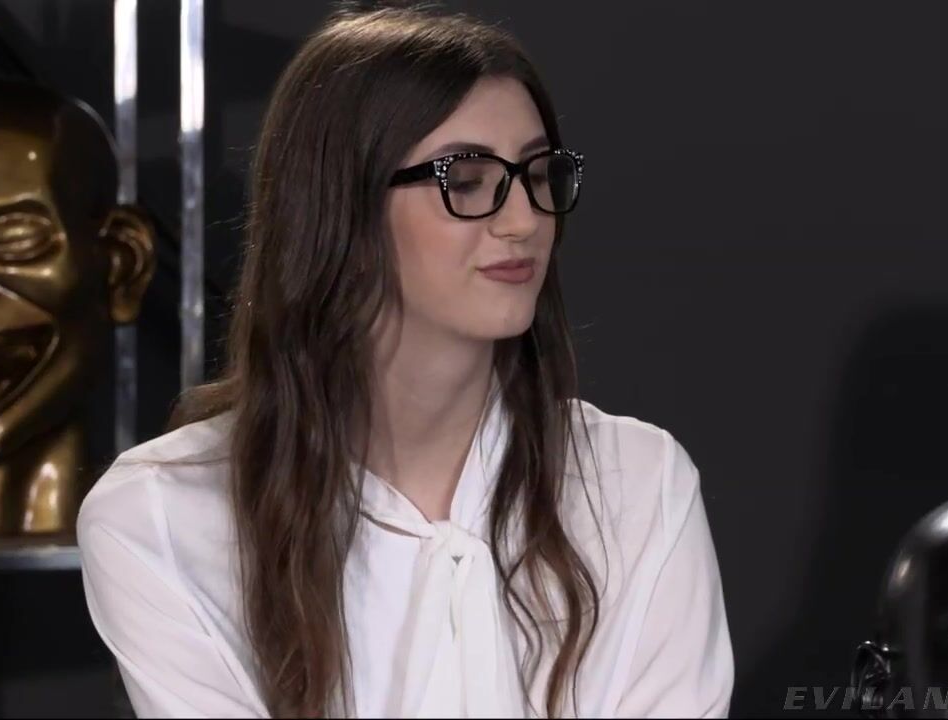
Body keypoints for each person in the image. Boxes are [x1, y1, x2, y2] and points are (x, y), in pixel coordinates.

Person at [77, 5, 733, 717]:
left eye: (539, 173)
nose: (525, 221)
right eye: (467, 178)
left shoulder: (638, 485)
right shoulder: (163, 517)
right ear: (339, 204)